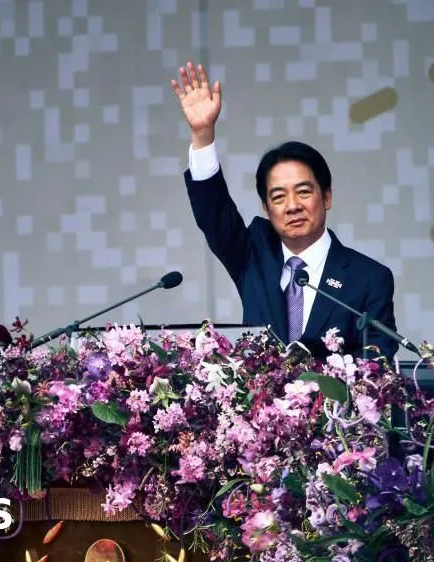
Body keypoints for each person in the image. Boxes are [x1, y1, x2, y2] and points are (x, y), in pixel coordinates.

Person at [171, 62, 399, 360]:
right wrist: (202, 136)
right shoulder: (253, 254)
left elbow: (378, 360)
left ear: (326, 197)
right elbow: (214, 214)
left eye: (303, 192)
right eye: (278, 197)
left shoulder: (368, 278)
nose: (292, 206)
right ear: (266, 208)